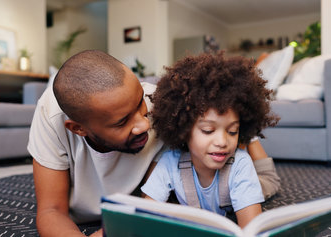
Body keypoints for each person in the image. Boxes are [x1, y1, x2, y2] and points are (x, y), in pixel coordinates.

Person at [28, 50, 279, 236]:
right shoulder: (52, 117)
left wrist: (238, 131)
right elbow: (50, 211)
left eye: (140, 104)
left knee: (262, 180)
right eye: (122, 121)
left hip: (222, 171)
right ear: (78, 128)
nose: (144, 124)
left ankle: (249, 136)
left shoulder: (162, 105)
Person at [141, 52, 279, 227]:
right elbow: (144, 216)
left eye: (232, 131)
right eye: (208, 130)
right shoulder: (170, 163)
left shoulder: (241, 165)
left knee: (268, 180)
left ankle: (248, 137)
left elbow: (251, 229)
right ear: (184, 130)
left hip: (253, 178)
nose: (221, 142)